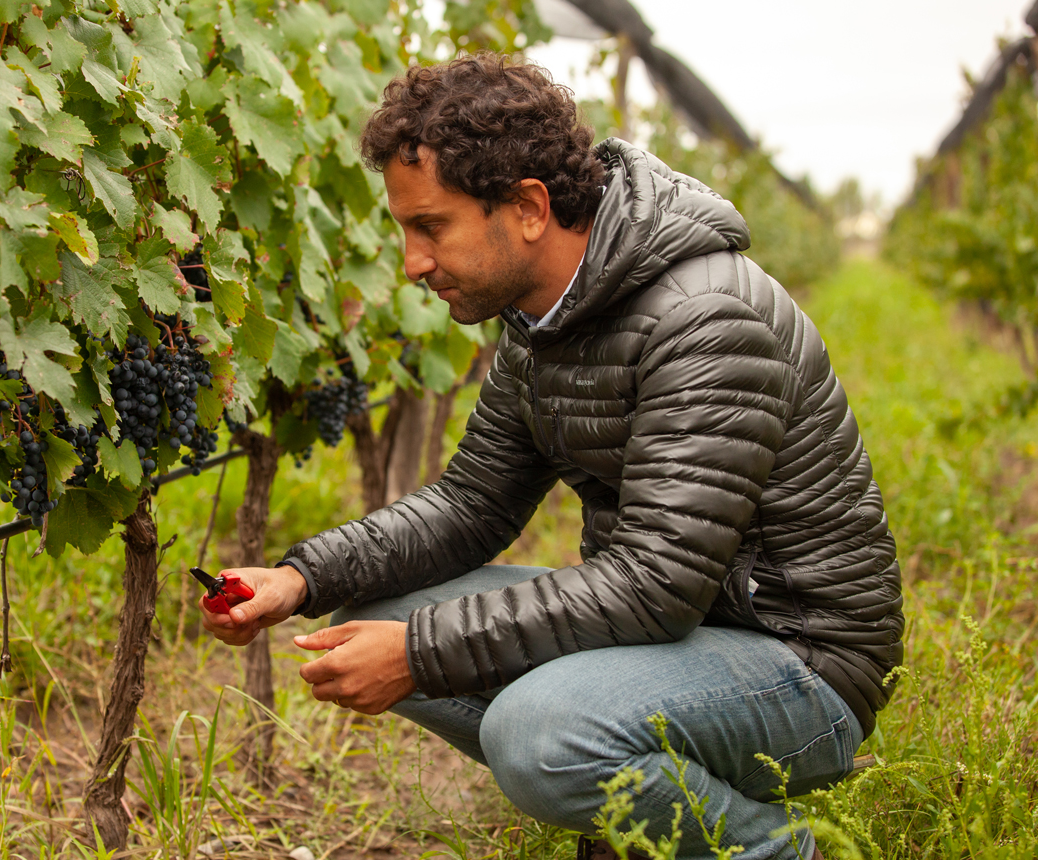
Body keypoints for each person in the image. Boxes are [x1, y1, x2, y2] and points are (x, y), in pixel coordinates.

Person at [199, 54, 903, 860]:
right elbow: (472, 505)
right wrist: (302, 577)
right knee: (373, 615)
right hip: (689, 637)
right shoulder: (542, 323)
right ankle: (639, 798)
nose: (412, 263)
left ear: (529, 208)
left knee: (538, 736)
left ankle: (775, 849)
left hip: (801, 664)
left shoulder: (706, 318)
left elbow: (657, 585)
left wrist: (423, 654)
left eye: (431, 226)